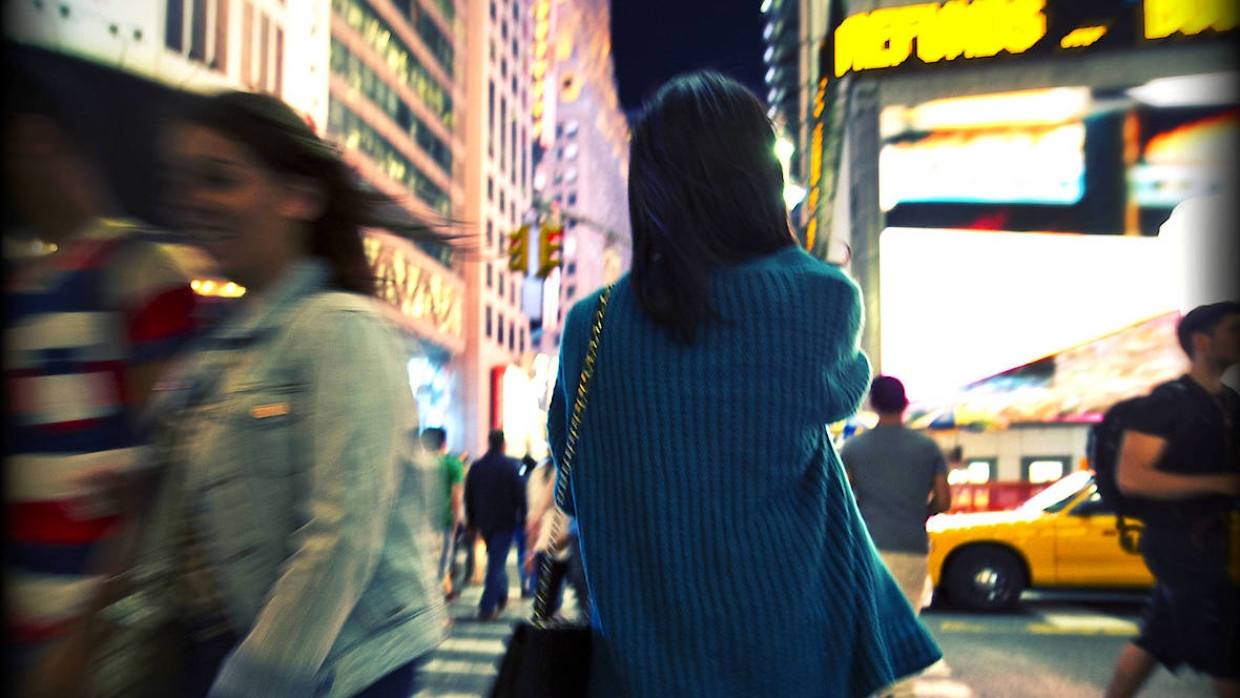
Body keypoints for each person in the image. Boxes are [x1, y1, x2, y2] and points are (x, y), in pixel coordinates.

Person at [546, 70, 941, 698]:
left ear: (647, 187)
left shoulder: (588, 327)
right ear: (764, 180)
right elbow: (842, 391)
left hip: (640, 667)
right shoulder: (819, 297)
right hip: (792, 657)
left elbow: (567, 461)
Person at [77, 89, 450, 698]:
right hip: (223, 651)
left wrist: (255, 682)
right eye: (185, 182)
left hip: (328, 670)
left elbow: (339, 540)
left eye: (219, 179)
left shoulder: (341, 327)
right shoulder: (222, 349)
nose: (194, 202)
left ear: (299, 195)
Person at [3, 48, 204, 692]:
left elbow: (161, 491)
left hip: (94, 654)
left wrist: (84, 643)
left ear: (34, 140)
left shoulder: (140, 272)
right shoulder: (30, 281)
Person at [1104, 301, 1240, 698]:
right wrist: (1219, 484)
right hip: (1181, 542)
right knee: (1231, 648)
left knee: (1155, 638)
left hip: (1213, 541)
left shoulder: (1227, 402)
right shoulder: (1167, 402)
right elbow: (1132, 478)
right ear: (1202, 341)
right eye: (1234, 329)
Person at [840, 375, 952, 613]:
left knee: (872, 624)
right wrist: (921, 512)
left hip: (868, 549)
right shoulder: (928, 448)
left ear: (872, 404)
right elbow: (943, 501)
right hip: (911, 547)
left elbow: (841, 499)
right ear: (905, 403)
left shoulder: (853, 448)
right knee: (906, 625)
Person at [463, 430, 526, 621]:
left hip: (484, 521)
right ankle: (487, 607)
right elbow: (520, 494)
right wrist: (523, 517)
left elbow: (469, 495)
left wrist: (472, 522)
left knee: (496, 559)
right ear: (503, 445)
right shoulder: (510, 466)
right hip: (505, 521)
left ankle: (502, 595)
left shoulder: (477, 466)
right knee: (496, 563)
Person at [422, 427, 465, 602]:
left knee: (425, 568)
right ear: (443, 442)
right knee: (440, 569)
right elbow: (456, 497)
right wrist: (456, 522)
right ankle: (435, 612)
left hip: (421, 523)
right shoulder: (453, 464)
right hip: (443, 522)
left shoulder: (419, 464)